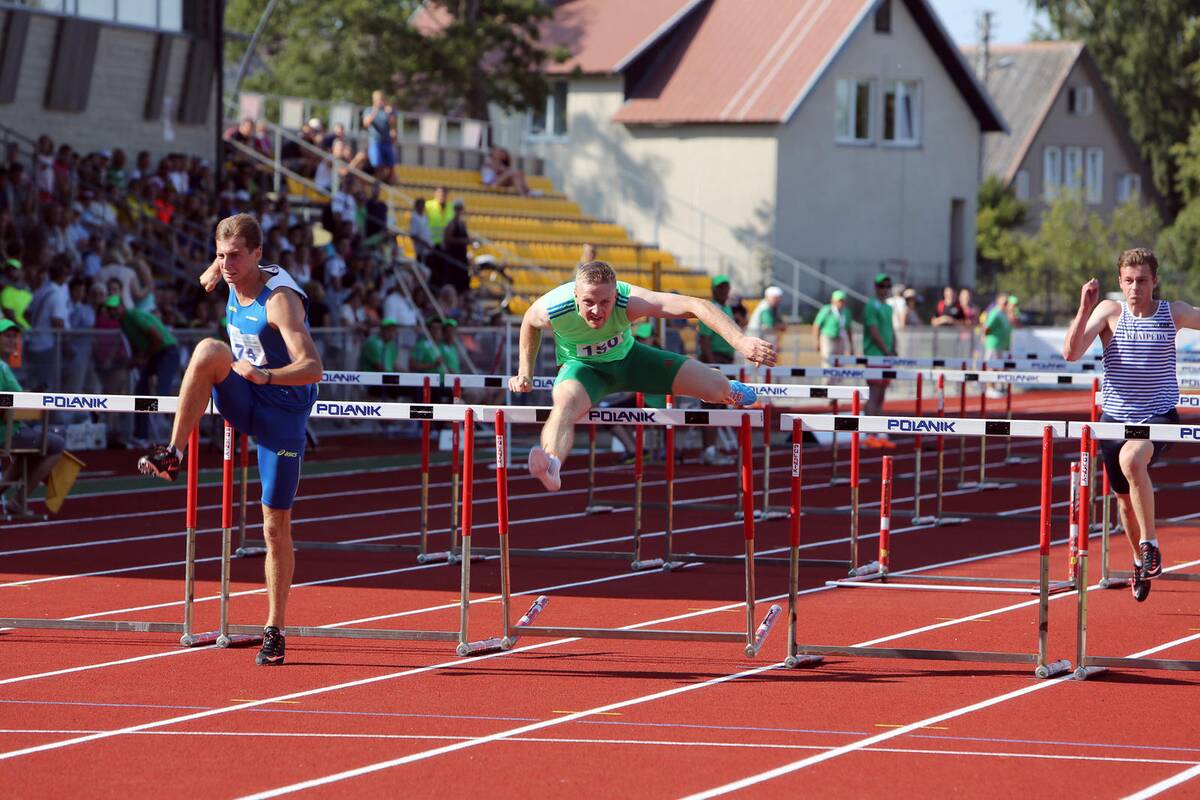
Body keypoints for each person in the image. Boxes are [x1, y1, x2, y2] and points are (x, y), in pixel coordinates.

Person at [137, 213, 322, 665]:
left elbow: (313, 368)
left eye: (235, 256)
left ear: (259, 254)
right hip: (245, 398)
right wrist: (213, 269)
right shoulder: (228, 271)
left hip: (282, 413)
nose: (227, 264)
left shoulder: (280, 302)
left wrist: (267, 375)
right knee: (207, 350)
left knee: (274, 525)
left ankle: (274, 628)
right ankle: (173, 452)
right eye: (221, 256)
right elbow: (220, 265)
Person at [508, 261, 774, 491]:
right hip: (583, 370)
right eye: (588, 302)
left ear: (615, 295)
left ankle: (727, 389)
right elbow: (529, 322)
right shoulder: (554, 307)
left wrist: (740, 341)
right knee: (564, 404)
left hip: (632, 361)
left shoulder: (630, 301)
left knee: (715, 388)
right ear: (575, 295)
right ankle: (552, 464)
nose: (597, 311)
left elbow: (696, 305)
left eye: (605, 302)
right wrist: (524, 372)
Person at [1064, 248, 1197, 601]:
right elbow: (1071, 353)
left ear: (1154, 281)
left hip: (1158, 415)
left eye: (1142, 280)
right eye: (1129, 281)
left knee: (1132, 459)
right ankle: (1140, 560)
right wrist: (1084, 307)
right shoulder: (1110, 313)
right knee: (1123, 502)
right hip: (1115, 420)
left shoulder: (1173, 312)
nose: (1135, 287)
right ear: (1120, 283)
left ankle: (1151, 545)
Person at [0, 319, 65, 508]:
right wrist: (32, 400)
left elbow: (14, 398)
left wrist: (27, 396)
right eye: (7, 336)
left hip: (12, 430)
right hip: (7, 433)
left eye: (15, 337)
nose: (12, 340)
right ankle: (19, 501)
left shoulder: (4, 367)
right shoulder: (2, 368)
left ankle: (13, 499)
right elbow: (12, 403)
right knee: (56, 444)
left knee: (30, 450)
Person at [112, 297, 181, 444]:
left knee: (163, 392)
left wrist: (142, 358)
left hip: (167, 352)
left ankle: (177, 434)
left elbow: (158, 338)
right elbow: (136, 344)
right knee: (141, 391)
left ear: (122, 306)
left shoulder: (134, 316)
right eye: (110, 309)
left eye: (115, 308)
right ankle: (141, 435)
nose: (113, 312)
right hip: (154, 354)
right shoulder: (123, 323)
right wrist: (136, 358)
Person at [698, 274, 738, 464]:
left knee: (720, 406)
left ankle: (711, 449)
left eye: (726, 287)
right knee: (711, 406)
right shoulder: (710, 309)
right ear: (714, 290)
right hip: (715, 360)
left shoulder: (727, 308)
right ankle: (708, 450)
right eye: (720, 287)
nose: (723, 291)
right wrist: (713, 365)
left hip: (726, 361)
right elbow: (704, 339)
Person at [862, 273, 896, 448]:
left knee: (882, 394)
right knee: (873, 393)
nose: (885, 289)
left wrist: (893, 349)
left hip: (886, 356)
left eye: (888, 286)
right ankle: (868, 433)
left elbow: (891, 330)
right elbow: (874, 330)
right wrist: (886, 351)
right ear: (876, 287)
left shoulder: (888, 307)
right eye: (882, 286)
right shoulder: (871, 305)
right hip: (875, 355)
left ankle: (877, 432)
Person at [362, 91, 397, 183]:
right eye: (378, 99)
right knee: (377, 164)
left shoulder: (386, 111)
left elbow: (392, 123)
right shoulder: (369, 110)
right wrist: (375, 110)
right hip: (375, 141)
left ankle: (388, 181)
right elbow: (366, 124)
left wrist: (389, 113)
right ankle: (377, 182)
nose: (380, 101)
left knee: (391, 164)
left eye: (382, 99)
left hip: (387, 142)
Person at [812, 289, 852, 366]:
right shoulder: (827, 310)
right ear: (833, 301)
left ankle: (838, 374)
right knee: (828, 361)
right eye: (839, 301)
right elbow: (816, 325)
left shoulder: (846, 312)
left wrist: (851, 345)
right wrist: (816, 341)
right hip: (828, 338)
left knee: (840, 362)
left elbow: (849, 329)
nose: (841, 303)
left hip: (840, 338)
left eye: (842, 301)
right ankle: (827, 373)